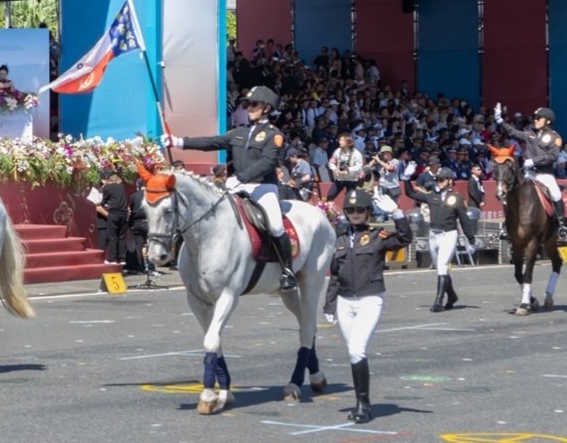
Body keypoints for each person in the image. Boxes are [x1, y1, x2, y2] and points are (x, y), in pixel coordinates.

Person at [164, 85, 297, 290]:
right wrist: (179, 142)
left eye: (254, 104)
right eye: (247, 104)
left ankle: (287, 270)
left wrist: (241, 177)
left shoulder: (274, 134)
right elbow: (211, 142)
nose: (249, 108)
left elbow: (267, 163)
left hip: (263, 187)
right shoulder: (239, 132)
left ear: (267, 108)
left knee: (276, 226)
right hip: (238, 185)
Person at [324, 188, 411, 424]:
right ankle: (362, 401)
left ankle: (363, 405)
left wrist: (397, 213)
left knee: (356, 350)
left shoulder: (377, 236)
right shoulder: (339, 238)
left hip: (370, 298)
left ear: (368, 212)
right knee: (354, 353)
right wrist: (329, 305)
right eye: (350, 209)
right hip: (344, 300)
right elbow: (335, 274)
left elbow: (404, 239)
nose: (354, 213)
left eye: (359, 209)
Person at [405, 167, 477, 312]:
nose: (438, 182)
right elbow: (411, 194)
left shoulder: (456, 198)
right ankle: (452, 296)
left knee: (443, 264)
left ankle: (438, 301)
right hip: (433, 235)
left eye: (442, 179)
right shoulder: (432, 196)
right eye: (437, 179)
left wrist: (471, 239)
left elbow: (464, 219)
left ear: (450, 181)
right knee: (440, 267)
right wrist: (406, 178)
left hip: (449, 234)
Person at [495, 104, 565, 233]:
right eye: (535, 118)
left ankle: (562, 226)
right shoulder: (530, 134)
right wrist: (500, 120)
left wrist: (534, 161)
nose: (535, 120)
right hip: (529, 174)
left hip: (545, 174)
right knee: (512, 192)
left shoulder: (555, 137)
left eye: (539, 118)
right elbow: (512, 132)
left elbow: (553, 156)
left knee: (555, 193)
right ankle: (507, 225)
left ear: (548, 121)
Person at [94, 170, 128, 265]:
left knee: (113, 237)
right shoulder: (122, 187)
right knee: (121, 237)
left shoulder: (108, 187)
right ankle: (122, 259)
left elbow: (104, 201)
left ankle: (112, 259)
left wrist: (99, 203)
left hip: (114, 214)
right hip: (124, 214)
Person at [328, 134, 365, 201]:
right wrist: (335, 169)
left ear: (348, 142)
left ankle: (348, 211)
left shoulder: (356, 153)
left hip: (351, 179)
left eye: (342, 140)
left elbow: (359, 167)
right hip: (340, 178)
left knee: (351, 200)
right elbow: (331, 162)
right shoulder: (337, 151)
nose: (340, 142)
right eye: (340, 140)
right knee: (330, 195)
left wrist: (349, 169)